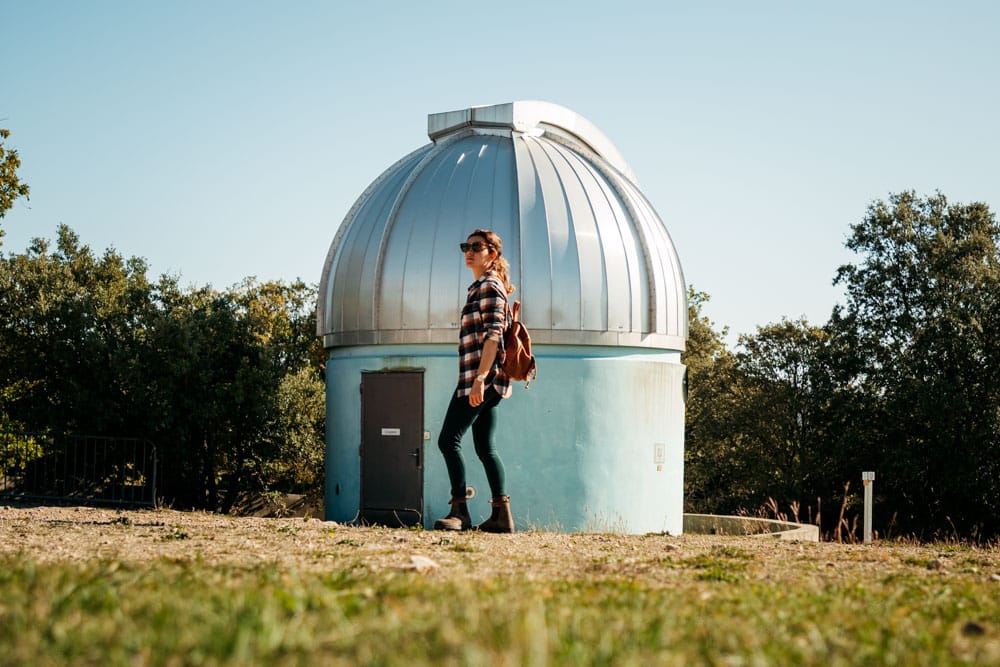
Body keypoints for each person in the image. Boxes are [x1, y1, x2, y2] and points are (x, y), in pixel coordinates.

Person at [434, 229, 516, 533]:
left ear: (492, 253)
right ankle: (501, 515)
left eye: (476, 247)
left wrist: (480, 379)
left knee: (447, 440)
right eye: (465, 246)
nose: (469, 251)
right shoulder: (478, 287)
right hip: (483, 379)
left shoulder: (490, 288)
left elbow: (493, 338)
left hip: (480, 379)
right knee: (484, 446)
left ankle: (460, 512)